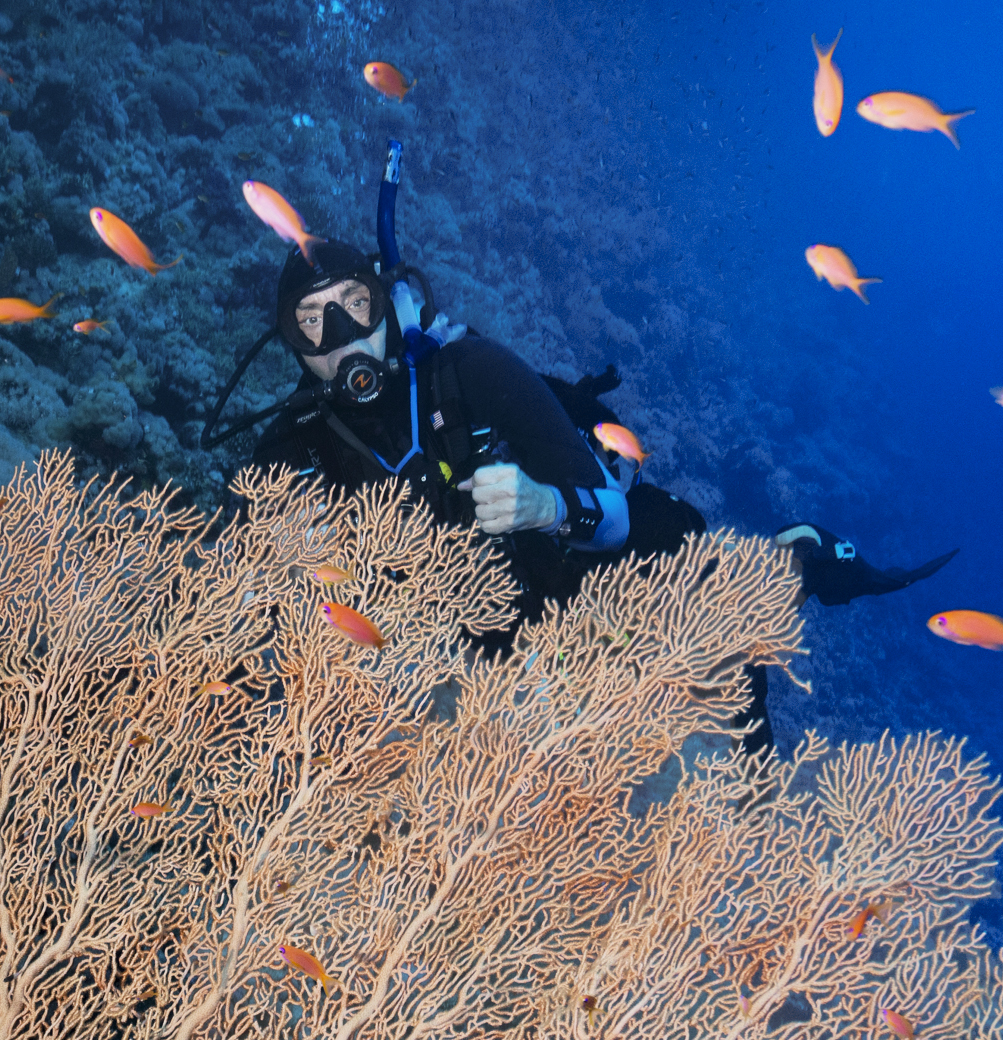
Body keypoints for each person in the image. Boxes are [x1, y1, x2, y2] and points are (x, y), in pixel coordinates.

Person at [203, 158, 952, 743]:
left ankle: (796, 554)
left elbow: (615, 521)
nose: (346, 340)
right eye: (315, 326)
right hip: (477, 655)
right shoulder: (293, 453)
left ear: (386, 307)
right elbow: (222, 585)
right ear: (295, 351)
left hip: (586, 588)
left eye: (356, 309)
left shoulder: (473, 374)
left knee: (718, 608)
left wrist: (545, 505)